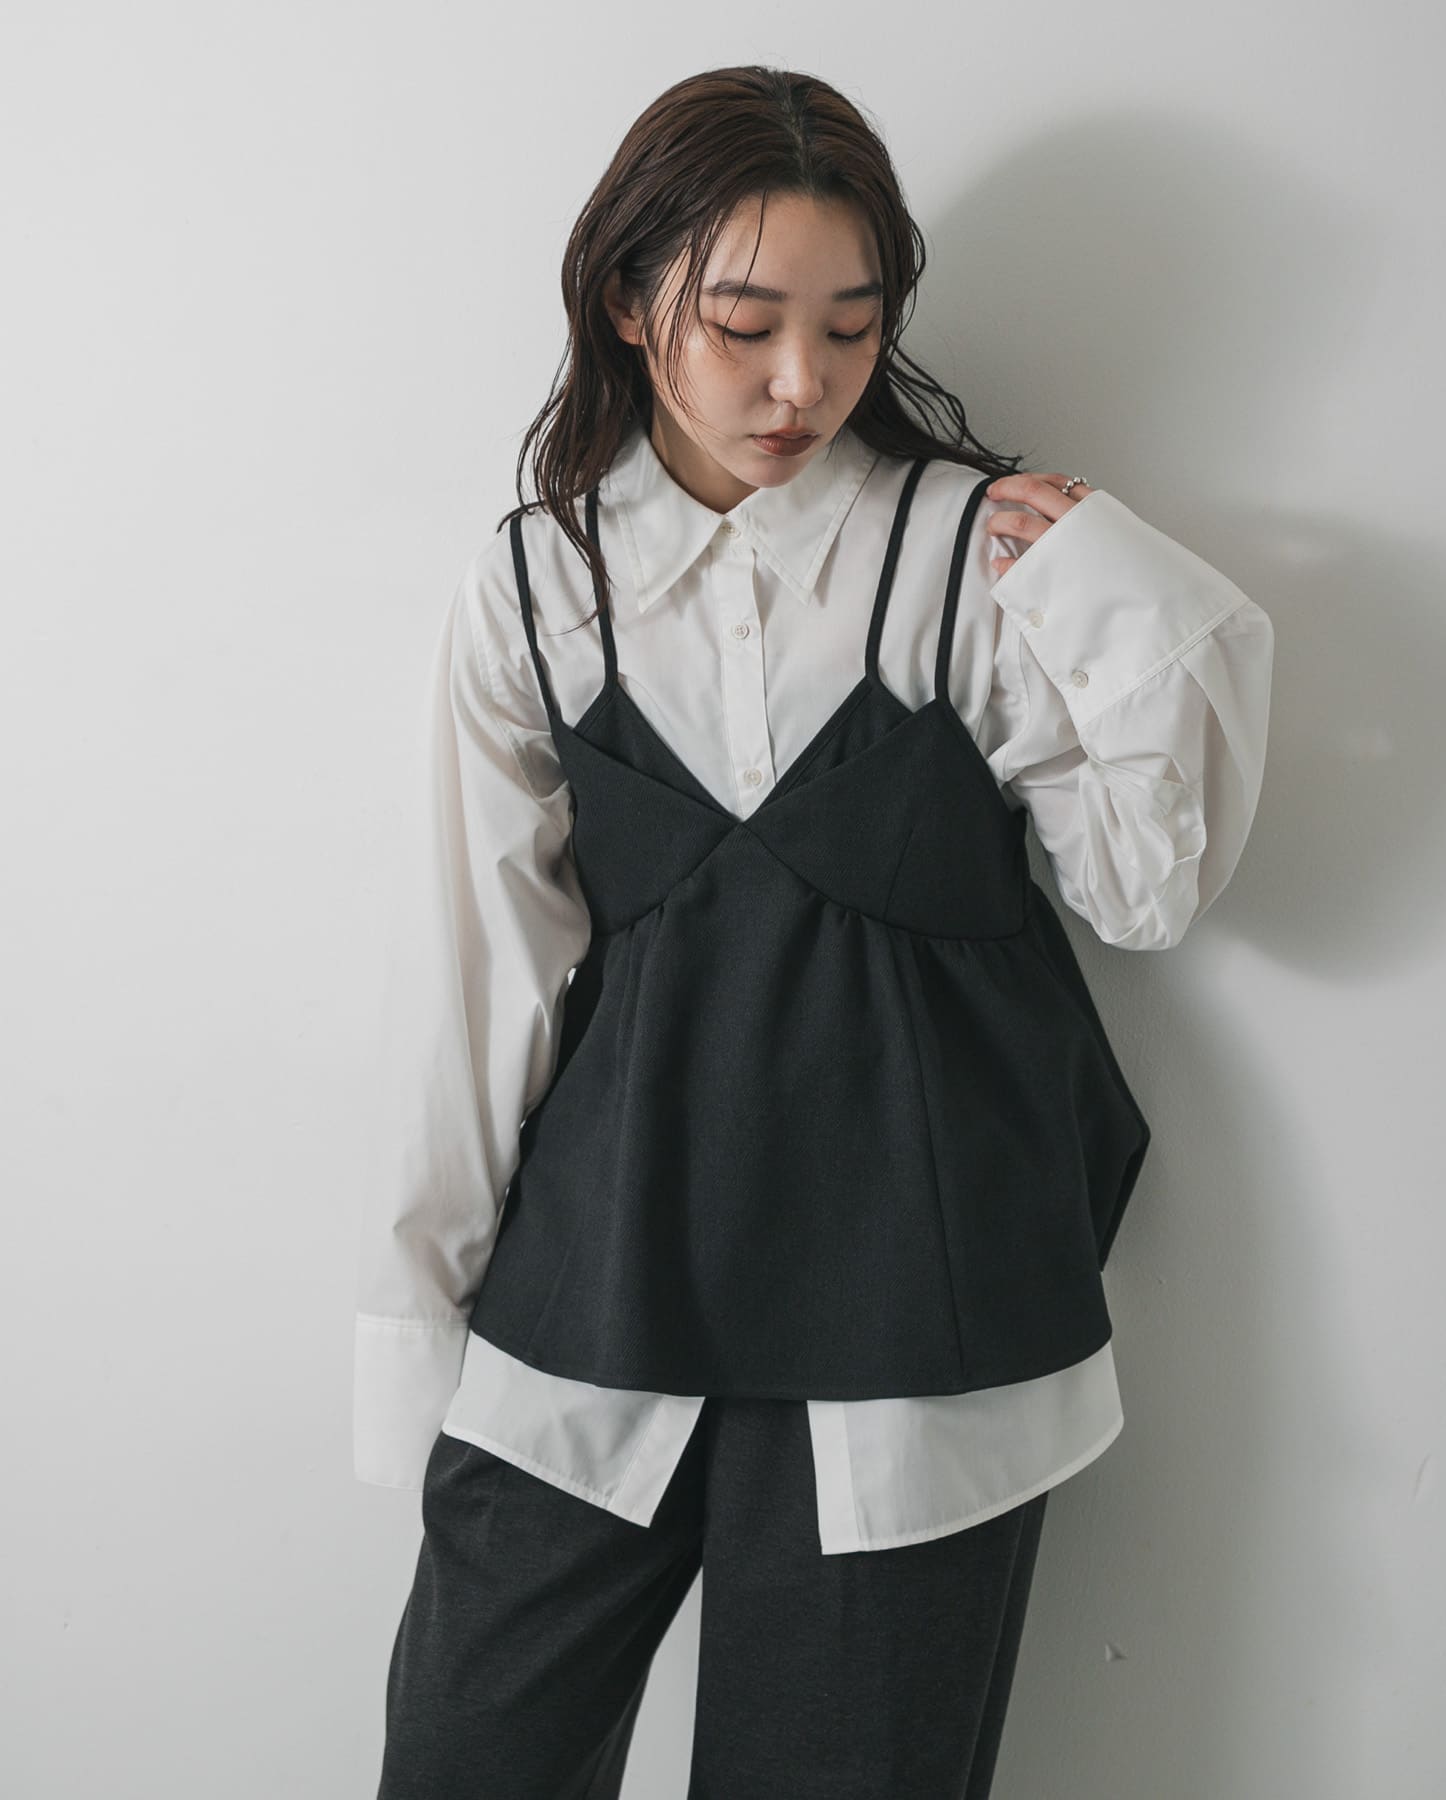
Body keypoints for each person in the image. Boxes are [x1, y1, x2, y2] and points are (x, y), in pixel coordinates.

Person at [355, 63, 1275, 1800]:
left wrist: (1126, 598)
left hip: (917, 1325)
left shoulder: (963, 556)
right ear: (631, 303)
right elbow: (475, 991)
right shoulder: (540, 585)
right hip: (599, 1285)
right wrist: (418, 1323)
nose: (803, 382)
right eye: (746, 324)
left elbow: (1147, 892)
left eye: (851, 329)